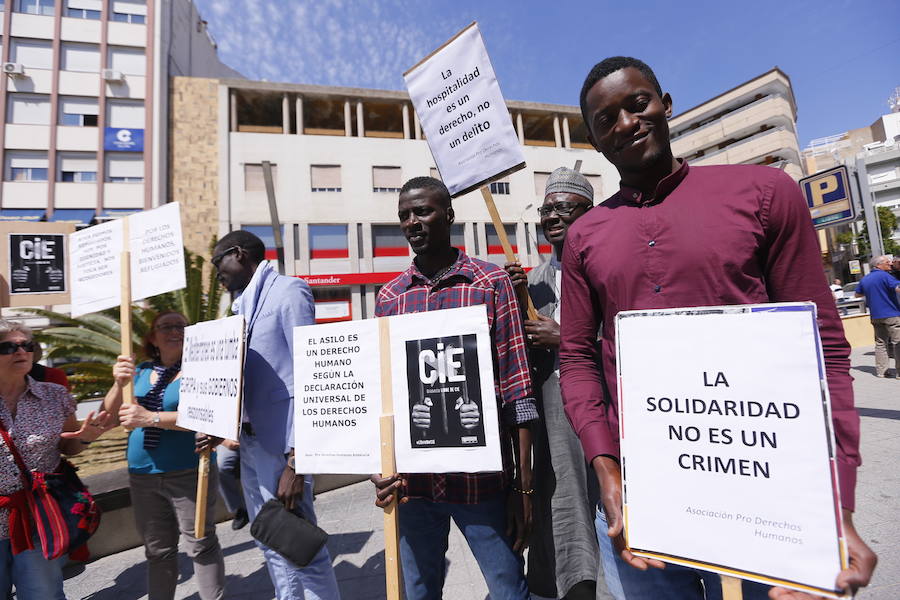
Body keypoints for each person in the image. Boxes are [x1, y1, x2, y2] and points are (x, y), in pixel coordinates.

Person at [560, 56, 877, 600]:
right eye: (606, 120)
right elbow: (578, 358)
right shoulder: (584, 237)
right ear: (594, 142)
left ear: (666, 105)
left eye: (638, 105)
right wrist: (606, 469)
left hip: (768, 494)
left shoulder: (765, 194)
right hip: (648, 498)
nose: (627, 124)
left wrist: (834, 498)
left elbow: (822, 349)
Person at [371, 176, 537, 600]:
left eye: (423, 211)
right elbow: (381, 395)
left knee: (509, 590)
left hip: (481, 485)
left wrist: (523, 487)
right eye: (404, 216)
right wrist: (380, 465)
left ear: (448, 214)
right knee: (418, 592)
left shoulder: (490, 284)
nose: (413, 222)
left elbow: (517, 389)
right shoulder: (390, 298)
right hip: (414, 488)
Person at [205, 230, 339, 600]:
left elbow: (310, 374)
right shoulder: (241, 306)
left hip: (283, 449)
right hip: (249, 444)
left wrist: (298, 460)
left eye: (219, 264)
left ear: (238, 254)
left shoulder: (288, 291)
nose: (218, 274)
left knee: (301, 546)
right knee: (271, 540)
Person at [505, 167, 601, 600]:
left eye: (564, 207)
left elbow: (632, 337)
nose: (553, 216)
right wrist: (515, 300)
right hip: (555, 420)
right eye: (546, 209)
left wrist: (565, 336)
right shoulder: (537, 282)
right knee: (563, 503)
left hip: (605, 411)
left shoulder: (607, 266)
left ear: (588, 210)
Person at [104, 310, 226, 600]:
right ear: (152, 337)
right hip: (143, 474)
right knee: (157, 551)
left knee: (200, 542)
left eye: (181, 326)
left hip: (189, 470)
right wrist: (118, 383)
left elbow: (205, 417)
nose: (175, 331)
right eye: (166, 326)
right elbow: (109, 417)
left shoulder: (202, 370)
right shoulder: (138, 373)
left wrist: (151, 417)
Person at [0, 319, 111, 600]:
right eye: (8, 347)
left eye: (27, 346)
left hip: (39, 518)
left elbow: (69, 447)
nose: (21, 352)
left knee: (43, 594)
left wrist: (86, 436)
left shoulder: (54, 395)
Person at [854, 255, 900, 378]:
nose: (890, 264)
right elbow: (898, 288)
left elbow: (857, 295)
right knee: (897, 342)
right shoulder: (886, 276)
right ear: (878, 264)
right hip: (892, 314)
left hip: (875, 315)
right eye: (887, 262)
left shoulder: (865, 279)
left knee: (880, 343)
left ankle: (881, 371)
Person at [216, 439, 248, 529]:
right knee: (220, 468)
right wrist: (222, 440)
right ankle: (239, 509)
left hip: (255, 435)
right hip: (225, 438)